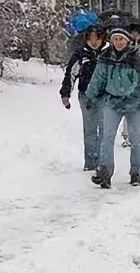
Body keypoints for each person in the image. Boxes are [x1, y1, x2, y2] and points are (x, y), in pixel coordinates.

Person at [86, 27, 140, 189]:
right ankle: (105, 172)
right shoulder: (106, 58)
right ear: (111, 41)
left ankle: (135, 171)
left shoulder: (136, 58)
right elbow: (98, 78)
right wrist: (91, 96)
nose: (118, 42)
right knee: (107, 137)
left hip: (133, 104)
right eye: (115, 39)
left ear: (127, 41)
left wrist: (130, 95)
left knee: (135, 136)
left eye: (121, 39)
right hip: (112, 102)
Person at [59, 24, 107, 171]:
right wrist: (66, 93)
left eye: (97, 38)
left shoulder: (109, 52)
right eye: (90, 38)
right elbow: (71, 73)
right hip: (86, 95)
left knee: (105, 129)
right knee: (90, 129)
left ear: (102, 38)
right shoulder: (81, 54)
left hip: (106, 95)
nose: (94, 41)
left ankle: (103, 161)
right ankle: (90, 162)